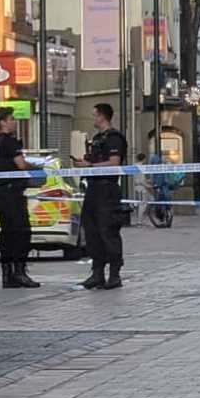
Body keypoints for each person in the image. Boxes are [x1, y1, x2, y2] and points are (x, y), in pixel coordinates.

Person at [72, 102, 128, 289]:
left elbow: (114, 163)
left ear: (103, 116)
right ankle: (97, 273)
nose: (93, 118)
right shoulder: (97, 138)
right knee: (92, 232)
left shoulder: (114, 138)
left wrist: (90, 167)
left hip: (107, 190)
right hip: (93, 189)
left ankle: (114, 274)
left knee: (108, 231)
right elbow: (93, 160)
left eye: (95, 115)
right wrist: (84, 163)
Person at [0, 106, 39, 289]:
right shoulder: (11, 143)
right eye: (11, 119)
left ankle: (7, 274)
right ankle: (19, 272)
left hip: (1, 194)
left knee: (7, 234)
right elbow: (21, 166)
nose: (14, 122)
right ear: (3, 122)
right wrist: (36, 168)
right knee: (22, 232)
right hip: (13, 194)